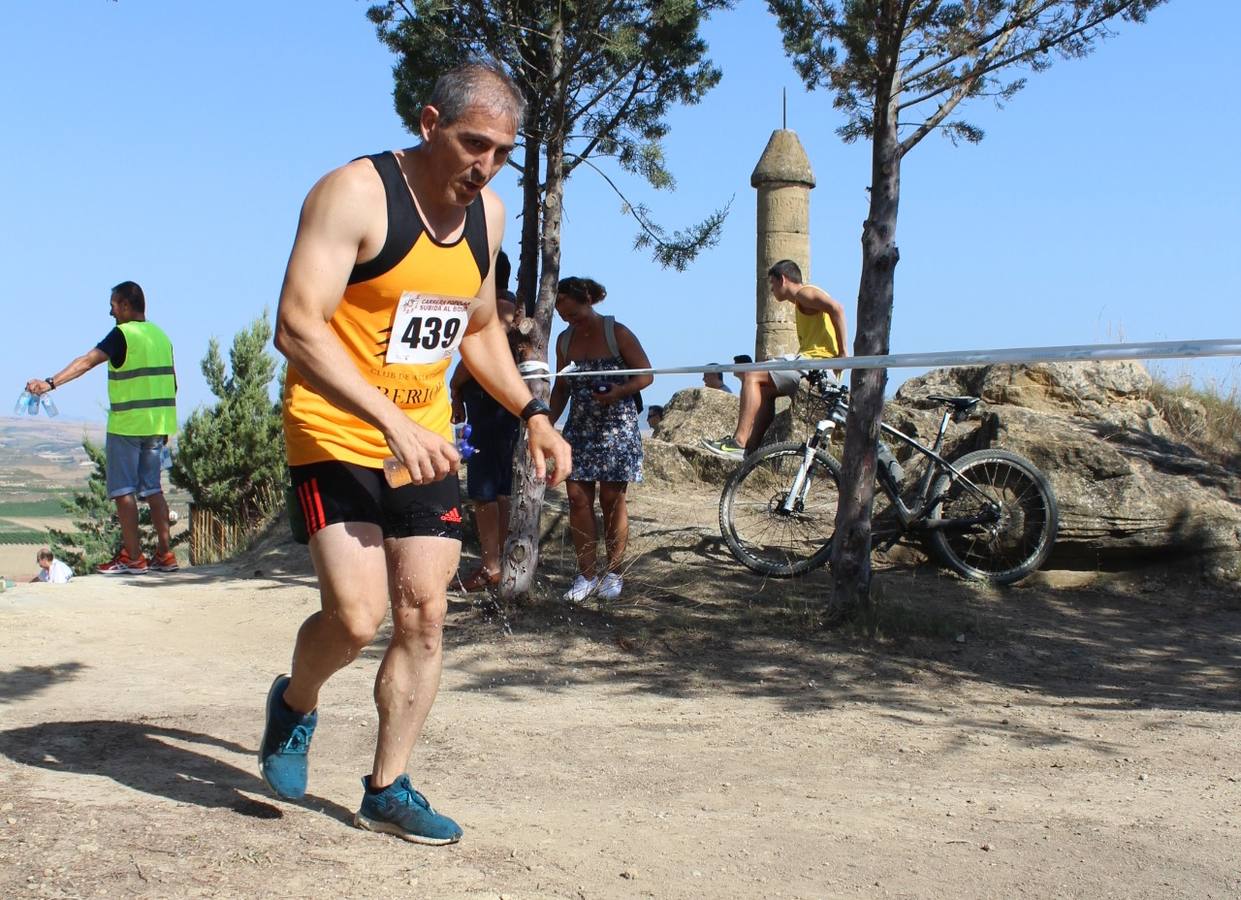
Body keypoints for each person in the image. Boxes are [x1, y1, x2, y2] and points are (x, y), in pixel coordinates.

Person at [263, 62, 571, 846]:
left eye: (502, 151)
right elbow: (298, 326)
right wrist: (385, 421)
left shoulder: (489, 216)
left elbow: (474, 330)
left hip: (422, 442)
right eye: (474, 144)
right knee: (356, 616)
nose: (486, 166)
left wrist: (532, 410)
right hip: (333, 433)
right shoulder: (355, 194)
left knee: (425, 615)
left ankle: (386, 786)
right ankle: (295, 702)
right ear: (430, 122)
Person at [25, 281, 179, 574]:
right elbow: (172, 383)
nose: (110, 312)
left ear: (125, 305)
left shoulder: (122, 334)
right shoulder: (162, 337)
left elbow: (86, 362)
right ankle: (165, 555)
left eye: (113, 306)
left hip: (127, 425)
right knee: (153, 490)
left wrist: (50, 383)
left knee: (124, 491)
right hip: (158, 425)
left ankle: (133, 557)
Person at [549, 276, 653, 603]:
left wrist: (619, 391)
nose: (570, 322)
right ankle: (586, 574)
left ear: (587, 302)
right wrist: (544, 423)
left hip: (617, 427)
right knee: (578, 499)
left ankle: (613, 572)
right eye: (564, 318)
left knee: (612, 499)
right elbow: (562, 386)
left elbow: (646, 375)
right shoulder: (565, 341)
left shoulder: (616, 332)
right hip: (580, 427)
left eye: (574, 314)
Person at [703, 260, 848, 459]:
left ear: (783, 280)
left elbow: (837, 308)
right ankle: (751, 450)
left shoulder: (804, 293)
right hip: (811, 365)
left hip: (816, 367)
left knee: (751, 373)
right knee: (763, 388)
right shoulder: (802, 302)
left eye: (772, 284)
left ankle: (739, 442)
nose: (771, 290)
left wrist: (843, 354)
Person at [448, 255, 522, 592]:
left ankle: (491, 565)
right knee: (498, 489)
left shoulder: (500, 305)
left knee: (486, 489)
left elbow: (479, 353)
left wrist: (454, 384)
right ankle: (498, 562)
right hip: (494, 401)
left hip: (490, 403)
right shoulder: (509, 304)